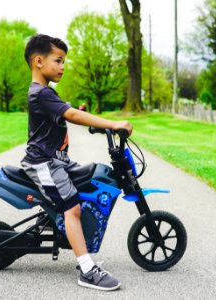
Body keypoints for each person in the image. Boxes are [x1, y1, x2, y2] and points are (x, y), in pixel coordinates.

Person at [21, 34, 132, 291]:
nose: (63, 67)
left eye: (64, 62)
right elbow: (70, 114)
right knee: (72, 208)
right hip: (44, 163)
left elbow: (68, 113)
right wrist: (113, 124)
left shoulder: (47, 93)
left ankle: (75, 239)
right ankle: (86, 269)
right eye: (58, 61)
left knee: (92, 177)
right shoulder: (41, 93)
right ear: (38, 61)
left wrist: (83, 115)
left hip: (58, 161)